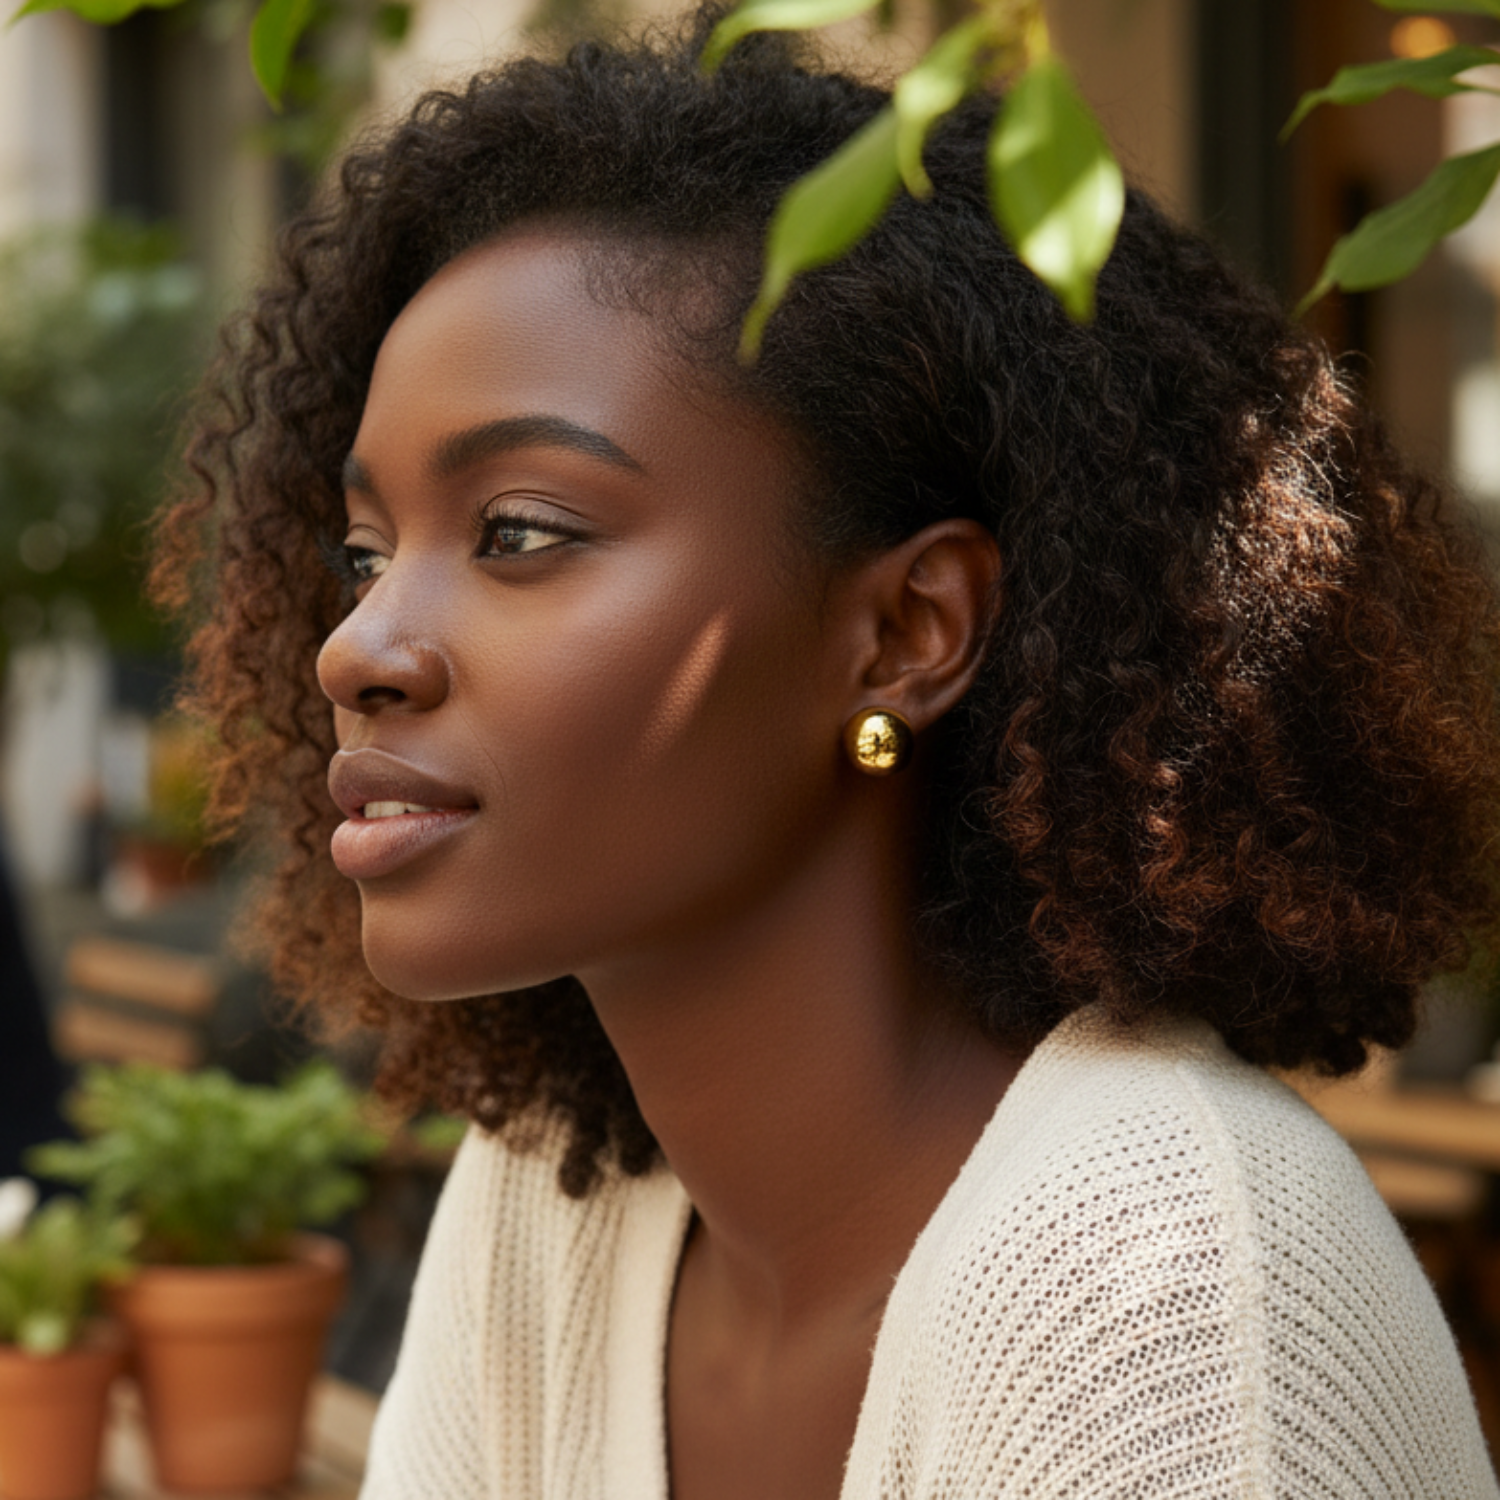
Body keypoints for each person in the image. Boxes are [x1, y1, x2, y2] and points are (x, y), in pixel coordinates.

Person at [152, 10, 1500, 1496]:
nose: (358, 649)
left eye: (519, 532)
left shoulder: (1160, 1300)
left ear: (906, 633)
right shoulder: (551, 1209)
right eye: (361, 554)